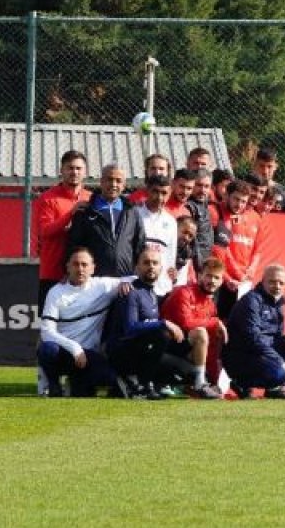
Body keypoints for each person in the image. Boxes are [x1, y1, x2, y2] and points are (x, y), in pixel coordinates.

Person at [37, 248, 127, 397]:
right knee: (47, 349)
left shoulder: (103, 286)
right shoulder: (56, 292)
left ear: (93, 268)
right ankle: (54, 385)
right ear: (68, 267)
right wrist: (75, 348)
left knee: (109, 380)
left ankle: (76, 382)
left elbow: (135, 280)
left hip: (90, 354)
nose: (80, 269)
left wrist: (173, 276)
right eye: (76, 264)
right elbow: (46, 332)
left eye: (85, 265)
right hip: (64, 353)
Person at [103, 248, 188, 400]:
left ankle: (148, 384)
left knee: (183, 370)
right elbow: (130, 328)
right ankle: (138, 383)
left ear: (161, 268)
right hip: (120, 352)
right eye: (146, 262)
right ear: (137, 267)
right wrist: (164, 323)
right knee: (161, 335)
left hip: (141, 350)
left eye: (155, 263)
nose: (151, 266)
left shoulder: (152, 293)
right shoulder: (131, 292)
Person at [223, 264, 285, 400]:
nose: (277, 286)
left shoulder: (279, 302)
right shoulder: (251, 301)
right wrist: (279, 361)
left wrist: (276, 360)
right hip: (242, 356)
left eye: (281, 283)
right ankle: (242, 383)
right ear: (263, 281)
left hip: (261, 354)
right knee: (279, 373)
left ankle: (275, 388)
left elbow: (277, 337)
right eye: (272, 282)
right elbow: (252, 338)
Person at [161, 256, 228, 400]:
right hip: (164, 351)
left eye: (217, 278)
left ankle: (204, 381)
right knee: (201, 333)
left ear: (222, 281)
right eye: (208, 276)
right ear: (199, 276)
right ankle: (199, 384)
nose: (212, 281)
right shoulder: (183, 292)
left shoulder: (210, 305)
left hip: (185, 354)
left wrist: (213, 379)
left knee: (217, 337)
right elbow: (186, 323)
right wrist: (215, 322)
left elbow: (210, 347)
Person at [66, 162, 146, 278]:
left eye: (118, 181)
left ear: (124, 185)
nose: (113, 184)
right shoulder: (86, 211)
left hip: (125, 280)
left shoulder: (132, 211)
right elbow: (74, 245)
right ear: (101, 182)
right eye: (109, 179)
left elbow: (140, 245)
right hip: (94, 281)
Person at [37, 150, 91, 308]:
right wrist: (70, 214)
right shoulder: (48, 198)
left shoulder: (91, 198)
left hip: (82, 275)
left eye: (78, 168)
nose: (74, 172)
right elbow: (44, 231)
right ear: (62, 170)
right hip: (53, 273)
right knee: (50, 324)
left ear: (85, 172)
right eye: (70, 168)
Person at [212, 180, 266, 318]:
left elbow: (257, 249)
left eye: (243, 201)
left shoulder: (256, 218)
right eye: (236, 199)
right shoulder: (217, 213)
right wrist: (229, 277)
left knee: (237, 320)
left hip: (242, 282)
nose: (239, 204)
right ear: (227, 195)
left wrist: (251, 270)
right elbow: (222, 250)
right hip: (222, 278)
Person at [136, 174, 178, 298]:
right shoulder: (134, 214)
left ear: (170, 193)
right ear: (147, 190)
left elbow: (170, 255)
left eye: (164, 193)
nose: (159, 197)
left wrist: (169, 281)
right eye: (155, 191)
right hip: (137, 285)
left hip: (160, 288)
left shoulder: (171, 222)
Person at [186, 167, 216, 271]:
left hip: (206, 261)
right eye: (199, 185)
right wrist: (199, 266)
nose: (203, 190)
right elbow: (191, 240)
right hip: (195, 264)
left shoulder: (205, 205)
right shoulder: (189, 207)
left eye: (206, 186)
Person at [254, 147, 285, 212]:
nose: (265, 171)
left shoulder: (284, 192)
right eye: (261, 166)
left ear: (276, 167)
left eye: (269, 166)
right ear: (255, 165)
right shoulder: (244, 188)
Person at [174, 216, 198, 287]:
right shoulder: (161, 247)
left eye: (190, 236)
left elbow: (187, 280)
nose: (186, 237)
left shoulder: (187, 254)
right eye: (185, 232)